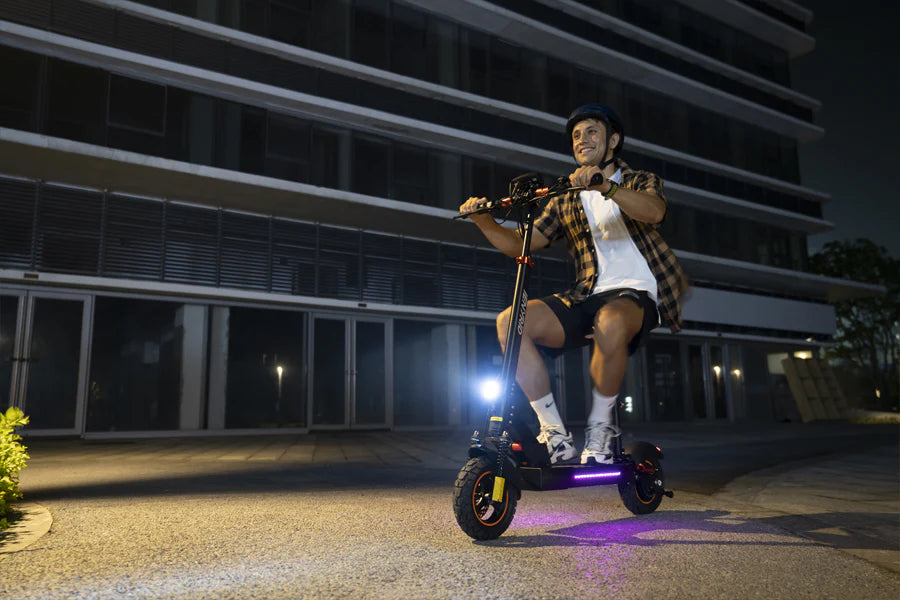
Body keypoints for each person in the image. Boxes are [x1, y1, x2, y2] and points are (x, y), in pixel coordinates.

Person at [459, 103, 687, 465]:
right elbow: (523, 243)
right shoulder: (566, 196)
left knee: (610, 322)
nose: (583, 139)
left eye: (592, 131)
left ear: (613, 140)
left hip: (637, 294)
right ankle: (555, 434)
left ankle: (601, 427)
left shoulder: (638, 180)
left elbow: (654, 211)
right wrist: (484, 222)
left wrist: (607, 188)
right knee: (510, 322)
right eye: (577, 135)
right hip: (587, 295)